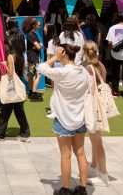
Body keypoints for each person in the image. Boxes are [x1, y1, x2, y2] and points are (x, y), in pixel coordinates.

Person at [39, 44, 90, 195]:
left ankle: (65, 189)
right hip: (80, 117)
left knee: (65, 155)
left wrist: (54, 57)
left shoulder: (62, 72)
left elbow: (41, 68)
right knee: (80, 153)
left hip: (63, 117)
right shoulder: (84, 72)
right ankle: (82, 188)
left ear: (64, 55)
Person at [0, 35, 30, 143]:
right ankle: (25, 134)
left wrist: (5, 65)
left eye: (6, 44)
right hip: (18, 88)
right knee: (19, 112)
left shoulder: (10, 57)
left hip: (11, 88)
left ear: (10, 45)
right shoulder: (21, 56)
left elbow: (11, 74)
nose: (5, 46)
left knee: (5, 112)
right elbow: (21, 72)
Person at [82, 41, 109, 187]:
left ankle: (103, 175)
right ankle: (93, 166)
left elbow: (91, 89)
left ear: (85, 52)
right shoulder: (100, 65)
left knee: (97, 142)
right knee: (95, 140)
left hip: (93, 106)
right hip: (100, 105)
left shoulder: (89, 68)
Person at [22, 17, 43, 102]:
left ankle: (31, 92)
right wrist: (40, 45)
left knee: (31, 74)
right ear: (33, 25)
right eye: (38, 25)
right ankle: (34, 94)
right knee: (38, 75)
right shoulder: (32, 34)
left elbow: (36, 47)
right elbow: (38, 47)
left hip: (31, 58)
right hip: (34, 58)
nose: (40, 26)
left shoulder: (30, 34)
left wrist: (37, 46)